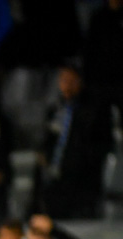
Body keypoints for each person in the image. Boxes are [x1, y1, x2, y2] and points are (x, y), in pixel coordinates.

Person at [37, 63, 112, 220]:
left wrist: (83, 161)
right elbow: (48, 139)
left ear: (80, 81)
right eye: (63, 80)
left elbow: (103, 143)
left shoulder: (95, 108)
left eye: (71, 80)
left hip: (82, 181)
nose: (66, 84)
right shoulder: (56, 109)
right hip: (56, 178)